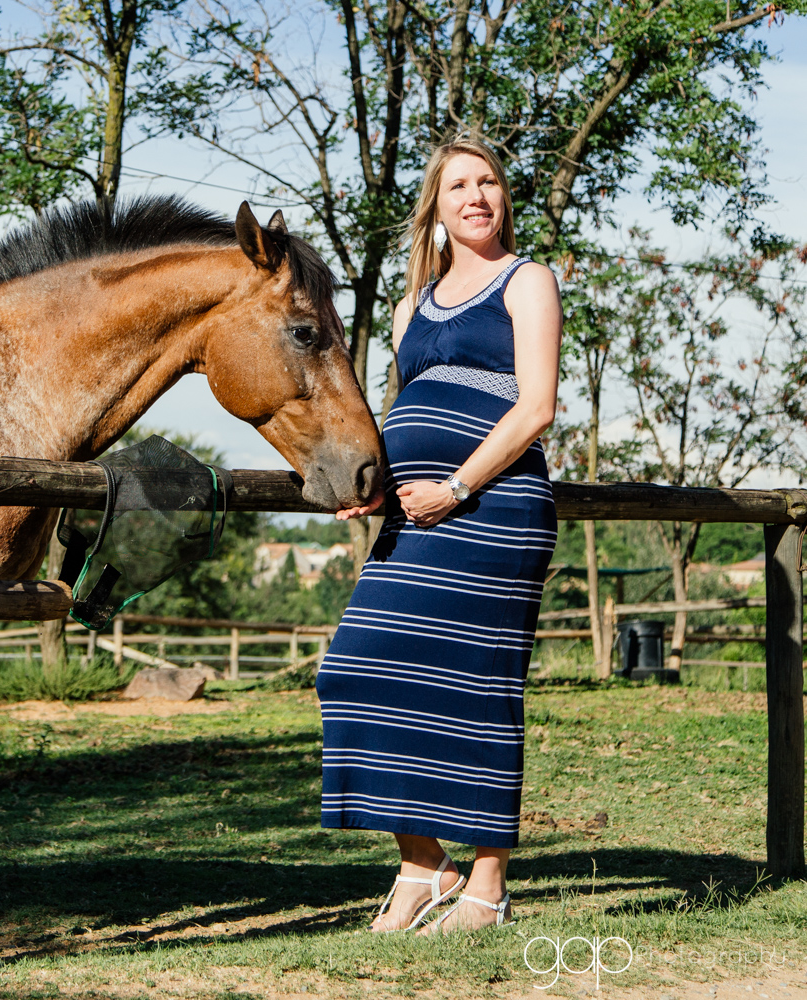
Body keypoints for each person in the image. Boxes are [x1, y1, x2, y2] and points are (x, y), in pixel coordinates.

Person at [316, 135, 562, 932]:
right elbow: (401, 412)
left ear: (502, 198)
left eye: (487, 181)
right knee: (350, 668)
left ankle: (487, 887)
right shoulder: (409, 307)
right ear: (438, 207)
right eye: (458, 185)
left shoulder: (527, 281)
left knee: (482, 692)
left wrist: (457, 486)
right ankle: (423, 862)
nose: (476, 195)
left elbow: (535, 408)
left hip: (496, 512)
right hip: (416, 515)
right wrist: (377, 487)